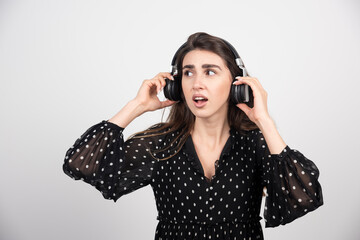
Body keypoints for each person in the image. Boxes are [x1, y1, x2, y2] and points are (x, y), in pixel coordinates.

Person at [62, 32, 323, 240]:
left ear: (237, 83)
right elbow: (81, 164)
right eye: (188, 73)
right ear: (177, 86)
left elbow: (304, 197)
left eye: (210, 71)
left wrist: (264, 121)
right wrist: (136, 107)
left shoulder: (256, 143)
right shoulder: (160, 144)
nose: (197, 83)